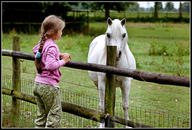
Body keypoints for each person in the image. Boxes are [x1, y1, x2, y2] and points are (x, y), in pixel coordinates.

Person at [32, 15, 71, 128]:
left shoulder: (42, 43)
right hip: (48, 86)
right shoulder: (52, 46)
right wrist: (63, 61)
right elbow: (49, 65)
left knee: (41, 116)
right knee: (54, 116)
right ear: (54, 32)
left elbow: (43, 55)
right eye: (61, 30)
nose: (61, 33)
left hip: (38, 84)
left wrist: (58, 55)